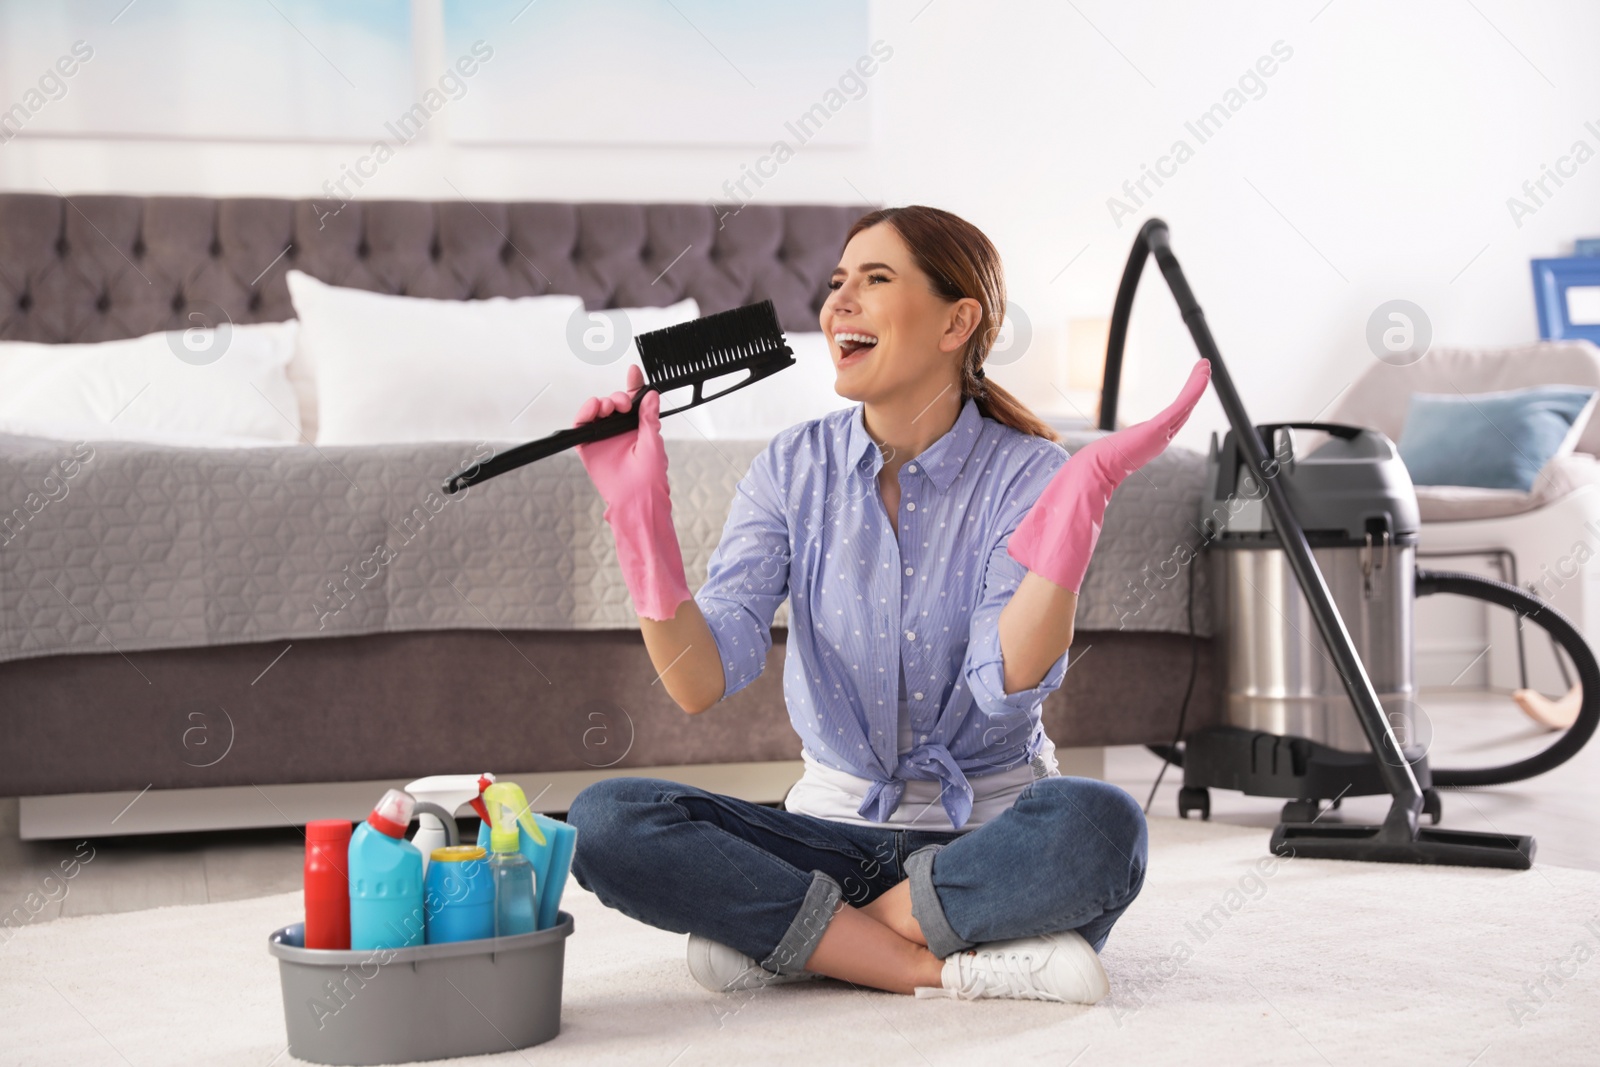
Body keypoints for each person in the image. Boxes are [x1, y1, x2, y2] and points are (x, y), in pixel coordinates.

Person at [565, 204, 1211, 1003]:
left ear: (957, 322)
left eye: (875, 280)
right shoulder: (791, 466)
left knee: (1102, 828)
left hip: (991, 835)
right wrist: (640, 523)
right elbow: (701, 680)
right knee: (605, 818)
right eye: (837, 282)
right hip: (828, 834)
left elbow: (1002, 680)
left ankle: (811, 941)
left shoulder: (1028, 472)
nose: (839, 301)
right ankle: (923, 960)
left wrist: (1075, 508)